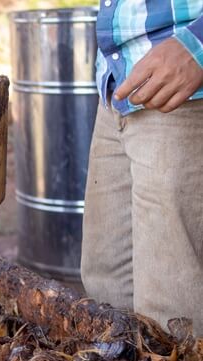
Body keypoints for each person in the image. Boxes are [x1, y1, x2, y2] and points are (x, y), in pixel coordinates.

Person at [81, 1, 203, 334]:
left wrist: (199, 44)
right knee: (106, 294)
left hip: (184, 90)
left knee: (174, 323)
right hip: (117, 84)